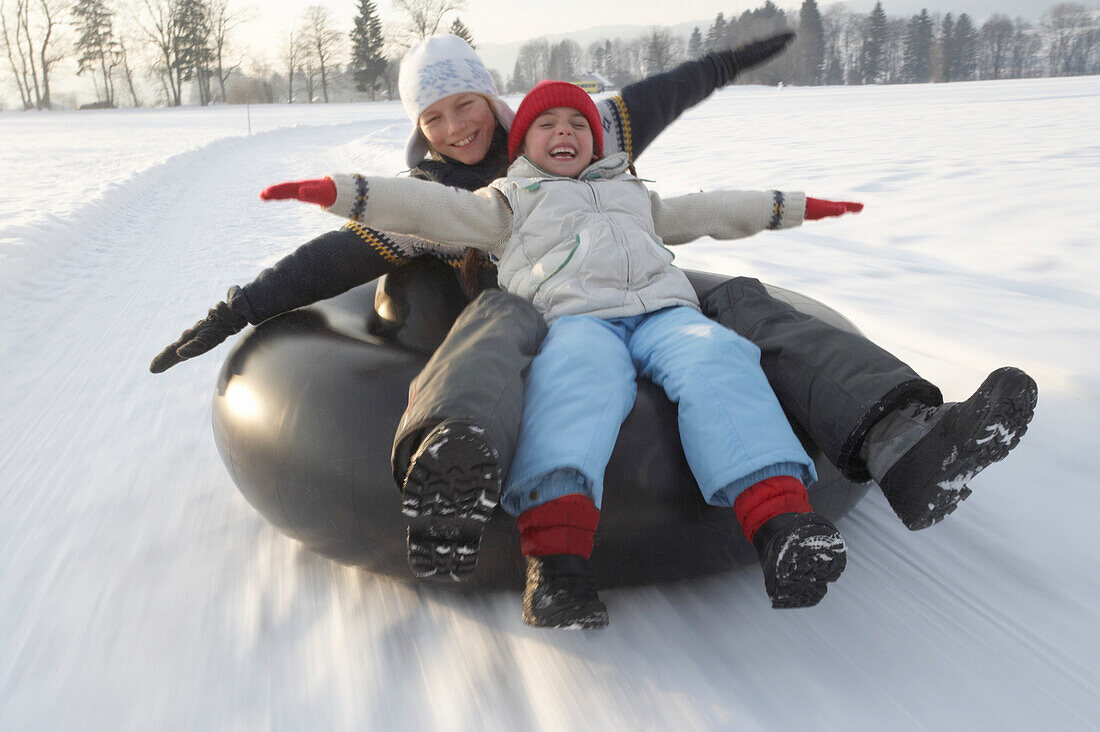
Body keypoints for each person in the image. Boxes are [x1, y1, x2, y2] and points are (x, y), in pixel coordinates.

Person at [153, 35, 1038, 590]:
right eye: (436, 116)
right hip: (532, 308)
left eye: (467, 105)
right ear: (421, 128)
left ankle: (905, 440)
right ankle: (459, 466)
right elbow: (346, 249)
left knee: (734, 314)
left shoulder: (574, 134)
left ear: (496, 101)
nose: (457, 127)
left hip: (628, 281)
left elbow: (671, 125)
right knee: (500, 333)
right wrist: (239, 309)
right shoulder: (445, 196)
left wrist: (733, 60)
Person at [262, 81, 879, 629]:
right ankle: (557, 567)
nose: (565, 133)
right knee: (574, 388)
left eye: (578, 124)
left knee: (719, 362)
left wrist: (796, 207)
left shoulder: (633, 194)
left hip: (664, 312)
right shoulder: (507, 201)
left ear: (596, 139)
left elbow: (715, 209)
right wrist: (339, 192)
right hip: (576, 321)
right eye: (548, 126)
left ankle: (783, 527)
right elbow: (428, 207)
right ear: (524, 143)